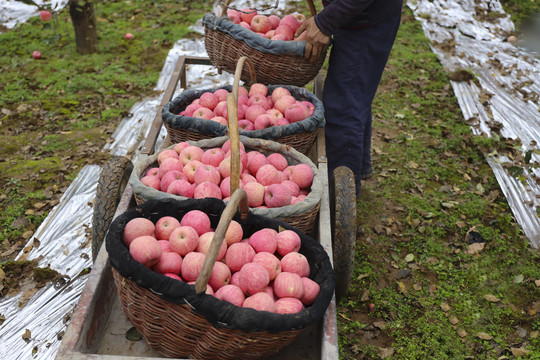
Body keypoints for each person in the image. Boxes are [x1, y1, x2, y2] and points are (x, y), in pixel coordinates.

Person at [296, 0, 404, 196]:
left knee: (342, 108)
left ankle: (340, 197)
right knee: (355, 92)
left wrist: (325, 22)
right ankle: (357, 167)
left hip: (365, 19)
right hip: (359, 14)